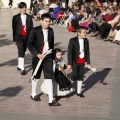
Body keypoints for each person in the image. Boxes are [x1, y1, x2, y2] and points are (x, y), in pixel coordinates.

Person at [27, 13, 60, 106]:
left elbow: (52, 45)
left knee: (49, 76)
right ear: (41, 21)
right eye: (46, 21)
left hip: (48, 57)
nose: (48, 23)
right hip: (38, 57)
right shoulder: (35, 31)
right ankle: (33, 93)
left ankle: (51, 99)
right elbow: (29, 44)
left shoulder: (51, 31)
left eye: (49, 21)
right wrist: (37, 54)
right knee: (36, 75)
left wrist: (53, 57)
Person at [67, 26, 91, 98]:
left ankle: (79, 91)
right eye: (84, 32)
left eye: (86, 32)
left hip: (82, 61)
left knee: (80, 76)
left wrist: (88, 62)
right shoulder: (72, 40)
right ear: (78, 33)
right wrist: (69, 63)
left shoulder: (86, 40)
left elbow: (87, 52)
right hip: (75, 61)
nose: (85, 34)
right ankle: (69, 84)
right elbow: (70, 52)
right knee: (75, 75)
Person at [12, 2, 33, 75]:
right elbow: (14, 29)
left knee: (23, 51)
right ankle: (23, 69)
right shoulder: (15, 17)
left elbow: (31, 28)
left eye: (25, 7)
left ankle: (19, 65)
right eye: (23, 7)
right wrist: (14, 39)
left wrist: (32, 38)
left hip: (26, 37)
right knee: (21, 50)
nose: (25, 9)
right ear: (20, 9)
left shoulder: (29, 17)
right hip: (19, 37)